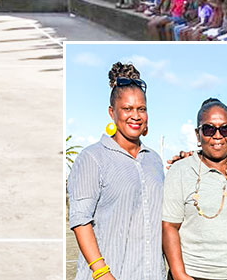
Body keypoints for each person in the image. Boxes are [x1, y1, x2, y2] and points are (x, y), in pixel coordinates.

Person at [68, 62, 164, 280]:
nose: (136, 116)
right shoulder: (92, 157)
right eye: (127, 109)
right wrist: (102, 273)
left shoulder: (154, 161)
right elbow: (80, 221)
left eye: (141, 109)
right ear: (112, 112)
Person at [163, 98, 227, 280]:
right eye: (209, 129)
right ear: (198, 134)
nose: (218, 135)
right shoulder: (181, 170)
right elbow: (169, 226)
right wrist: (178, 274)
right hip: (197, 274)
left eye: (225, 129)